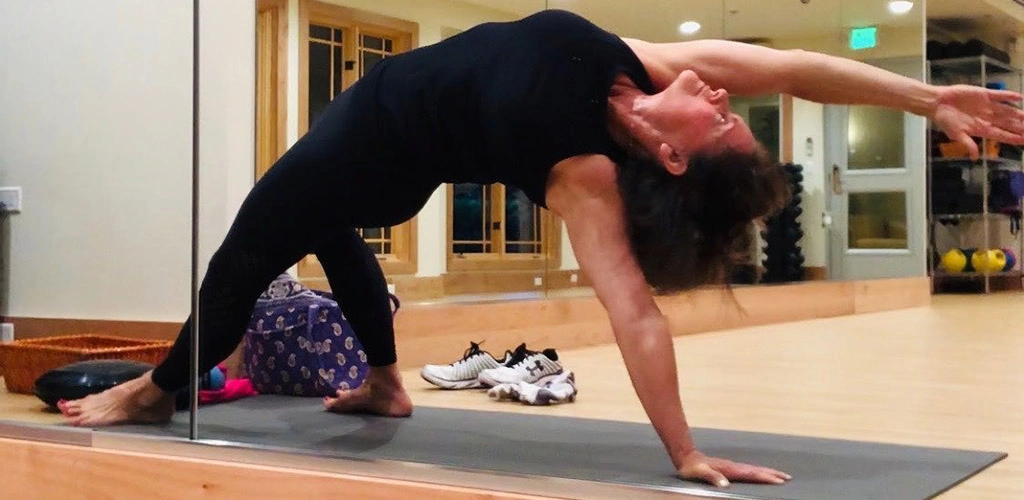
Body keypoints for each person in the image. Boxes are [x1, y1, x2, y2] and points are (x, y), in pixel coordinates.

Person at [58, 9, 1023, 488]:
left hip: (370, 138)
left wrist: (684, 453)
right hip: (386, 140)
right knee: (322, 231)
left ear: (678, 156)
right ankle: (386, 382)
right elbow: (797, 69)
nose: (728, 97)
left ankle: (156, 390)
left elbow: (633, 311)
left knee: (242, 257)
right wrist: (927, 98)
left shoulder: (585, 176)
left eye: (727, 122)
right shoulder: (648, 70)